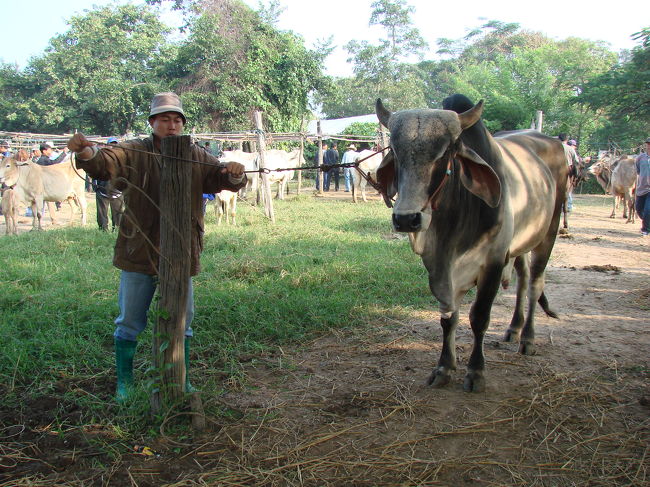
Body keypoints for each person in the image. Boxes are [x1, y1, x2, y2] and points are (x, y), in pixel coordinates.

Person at [67, 92, 246, 402]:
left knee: (182, 322)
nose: (172, 124)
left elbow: (220, 178)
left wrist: (234, 173)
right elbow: (106, 161)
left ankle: (181, 380)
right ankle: (125, 383)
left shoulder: (196, 155)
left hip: (181, 252)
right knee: (130, 321)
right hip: (140, 250)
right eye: (165, 118)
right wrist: (85, 153)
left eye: (177, 119)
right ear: (152, 122)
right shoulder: (135, 150)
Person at [93, 137, 124, 232]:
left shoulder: (122, 159)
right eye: (111, 144)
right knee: (102, 214)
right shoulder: (100, 158)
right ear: (107, 145)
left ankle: (117, 230)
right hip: (102, 190)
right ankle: (103, 230)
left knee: (118, 213)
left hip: (117, 191)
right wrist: (96, 187)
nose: (113, 146)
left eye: (115, 144)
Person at [559, 134, 579, 211]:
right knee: (567, 188)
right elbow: (576, 161)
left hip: (553, 169)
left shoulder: (553, 147)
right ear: (566, 140)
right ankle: (568, 206)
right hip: (566, 170)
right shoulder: (570, 149)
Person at [635, 137, 650, 236]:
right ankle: (647, 223)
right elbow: (638, 172)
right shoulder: (641, 158)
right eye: (648, 144)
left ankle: (645, 229)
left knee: (648, 210)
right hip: (641, 188)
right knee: (639, 209)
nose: (649, 146)